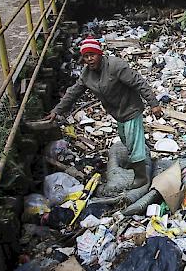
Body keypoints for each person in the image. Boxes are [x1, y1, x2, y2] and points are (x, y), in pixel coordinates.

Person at [46, 36, 163, 188]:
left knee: (134, 142)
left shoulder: (115, 66)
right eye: (86, 56)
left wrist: (154, 104)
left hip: (131, 108)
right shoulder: (86, 74)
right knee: (127, 140)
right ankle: (139, 160)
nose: (89, 59)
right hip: (117, 112)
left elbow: (138, 82)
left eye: (92, 55)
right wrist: (57, 110)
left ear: (100, 54)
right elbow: (73, 92)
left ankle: (141, 177)